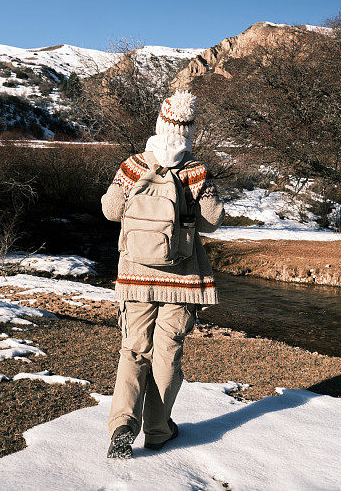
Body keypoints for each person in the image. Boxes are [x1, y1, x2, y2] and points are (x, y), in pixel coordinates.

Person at [101, 90, 224, 459]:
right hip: (183, 279)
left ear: (159, 123)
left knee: (134, 350)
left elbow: (110, 210)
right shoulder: (195, 170)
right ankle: (158, 430)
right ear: (189, 132)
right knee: (168, 352)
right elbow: (213, 221)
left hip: (135, 275)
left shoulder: (134, 164)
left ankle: (122, 424)